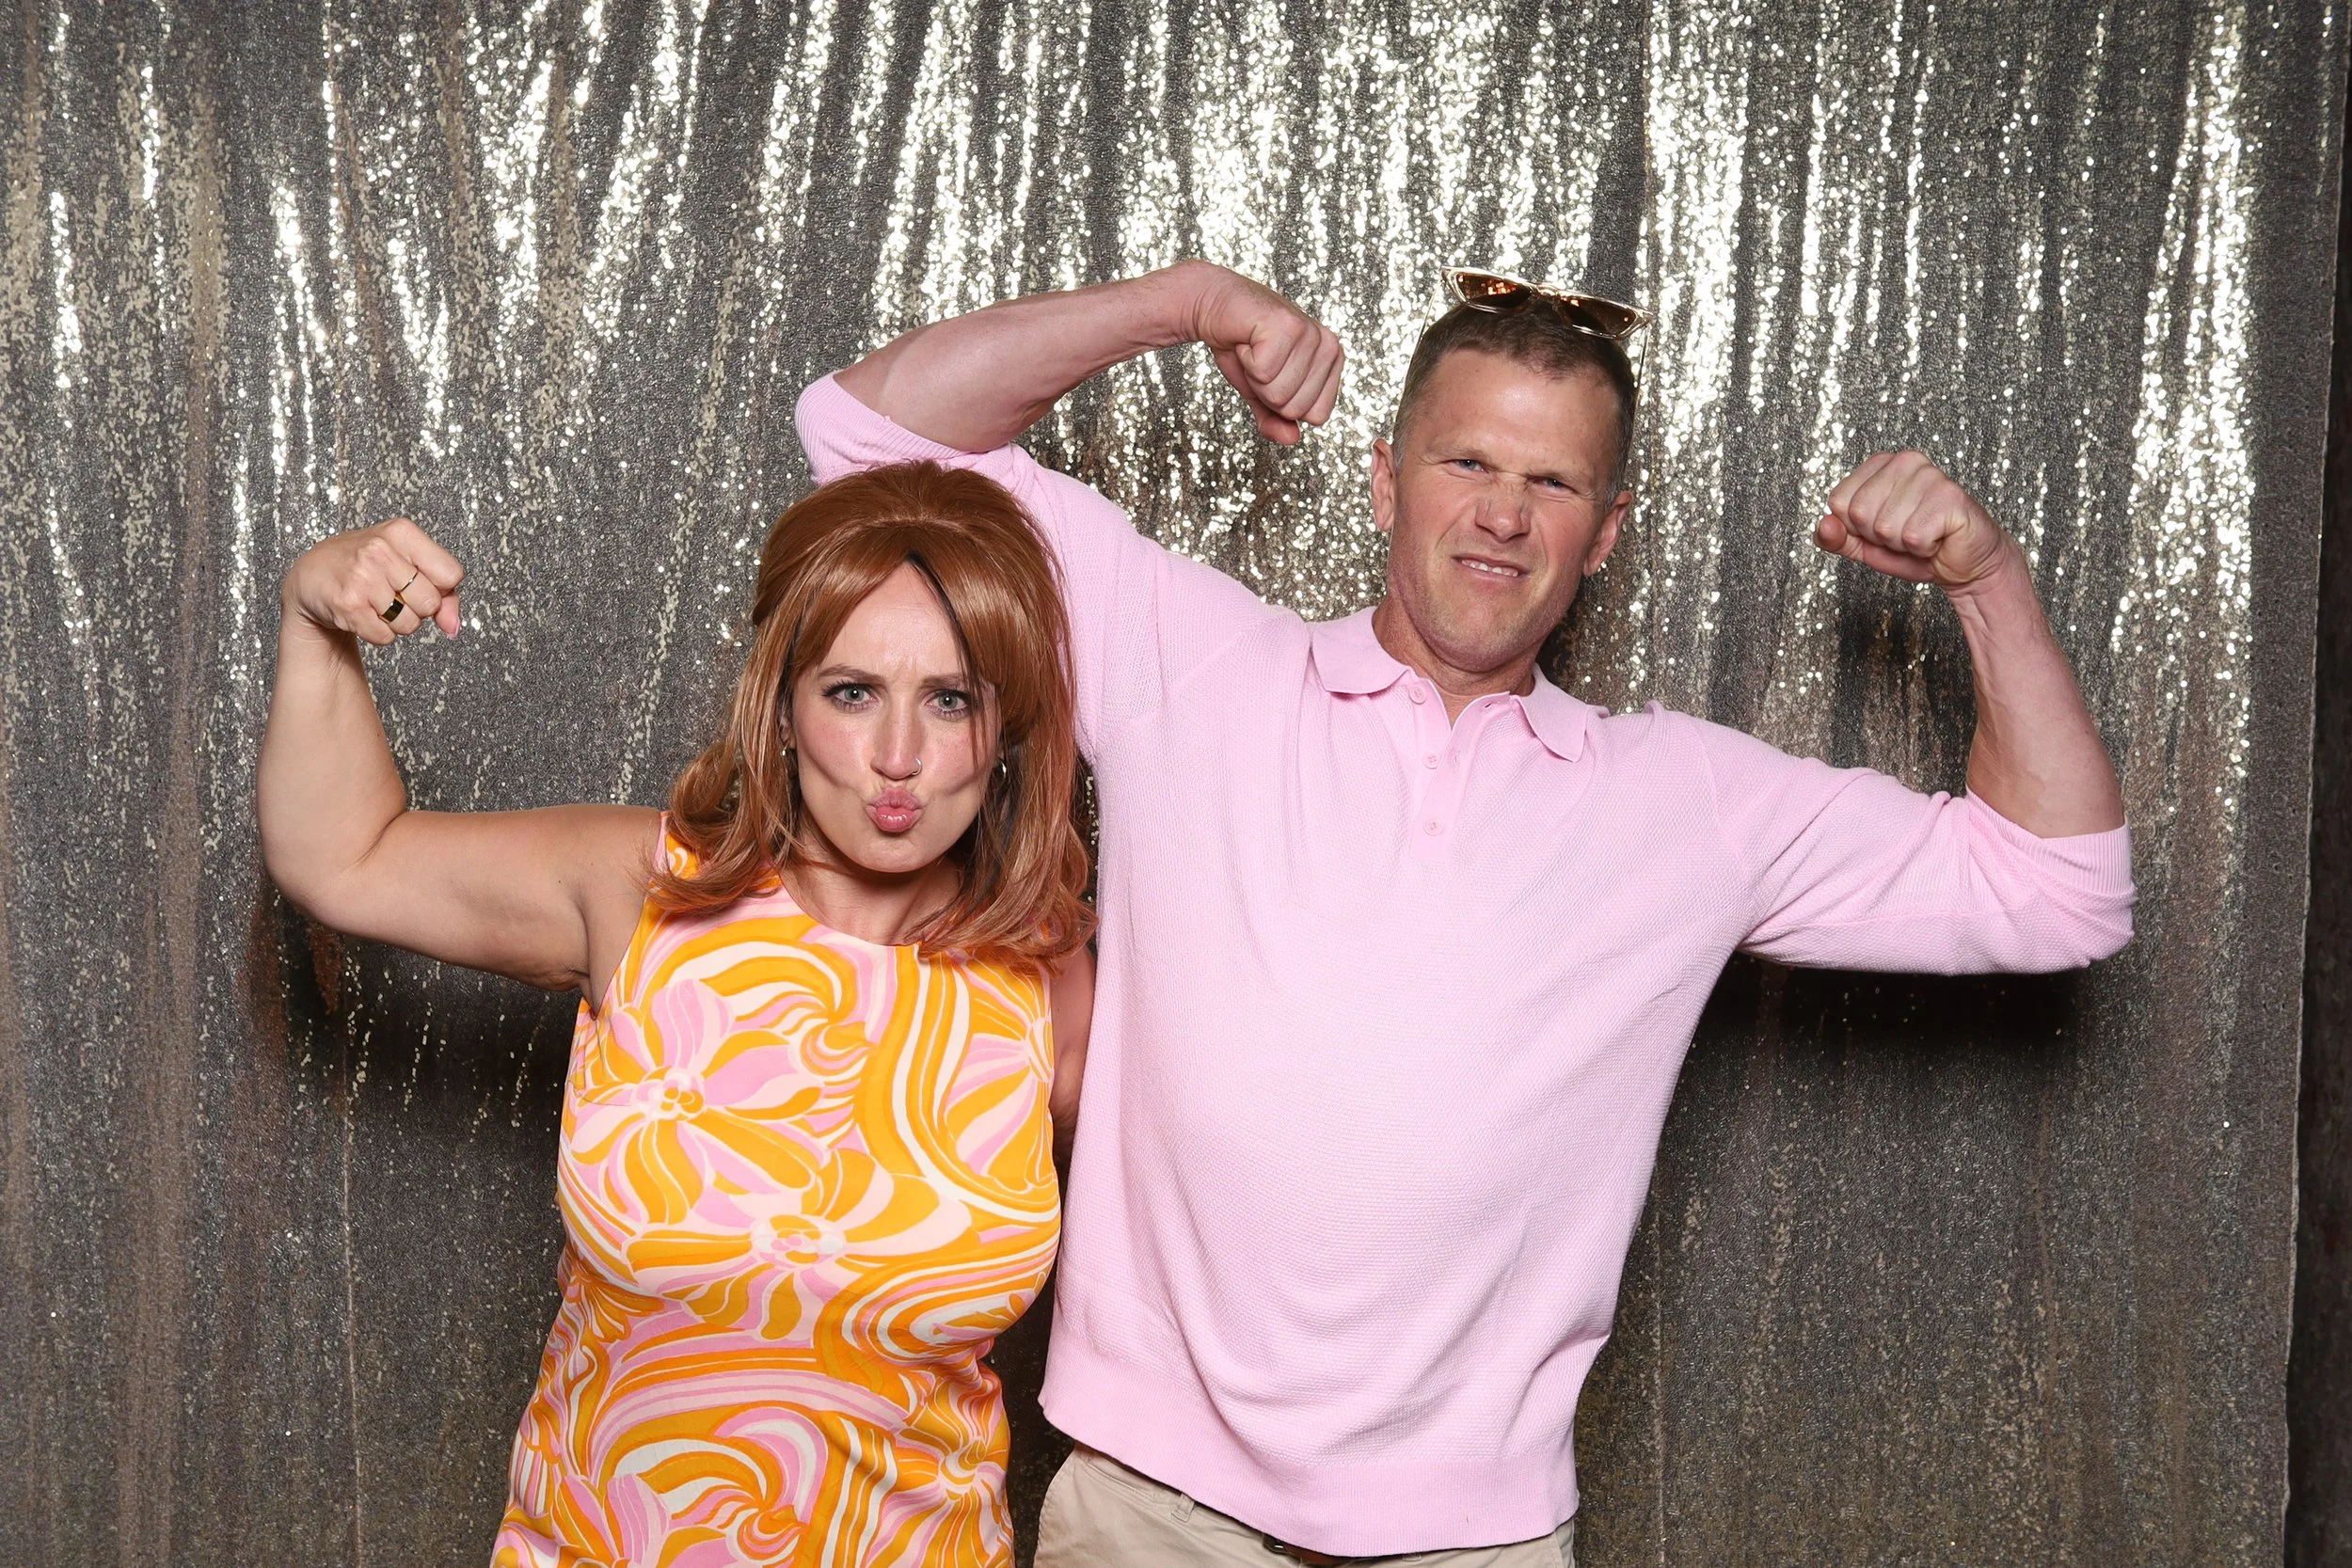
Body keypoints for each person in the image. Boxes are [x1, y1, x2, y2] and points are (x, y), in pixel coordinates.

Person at [800, 261, 2136, 1567]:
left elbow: (2058, 889)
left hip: (1475, 1535)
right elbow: (868, 434)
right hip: (1152, 1508)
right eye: (1467, 464)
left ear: (1605, 531)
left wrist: (1985, 580)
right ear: (1387, 478)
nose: (1503, 513)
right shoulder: (1194, 663)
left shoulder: (1688, 800)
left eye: (1551, 481)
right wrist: (1182, 302)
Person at [256, 460, 1098, 1567]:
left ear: (1004, 732)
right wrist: (315, 616)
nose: (900, 756)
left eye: (950, 698)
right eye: (851, 692)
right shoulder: (644, 889)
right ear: (784, 708)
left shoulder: (1049, 974)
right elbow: (345, 856)